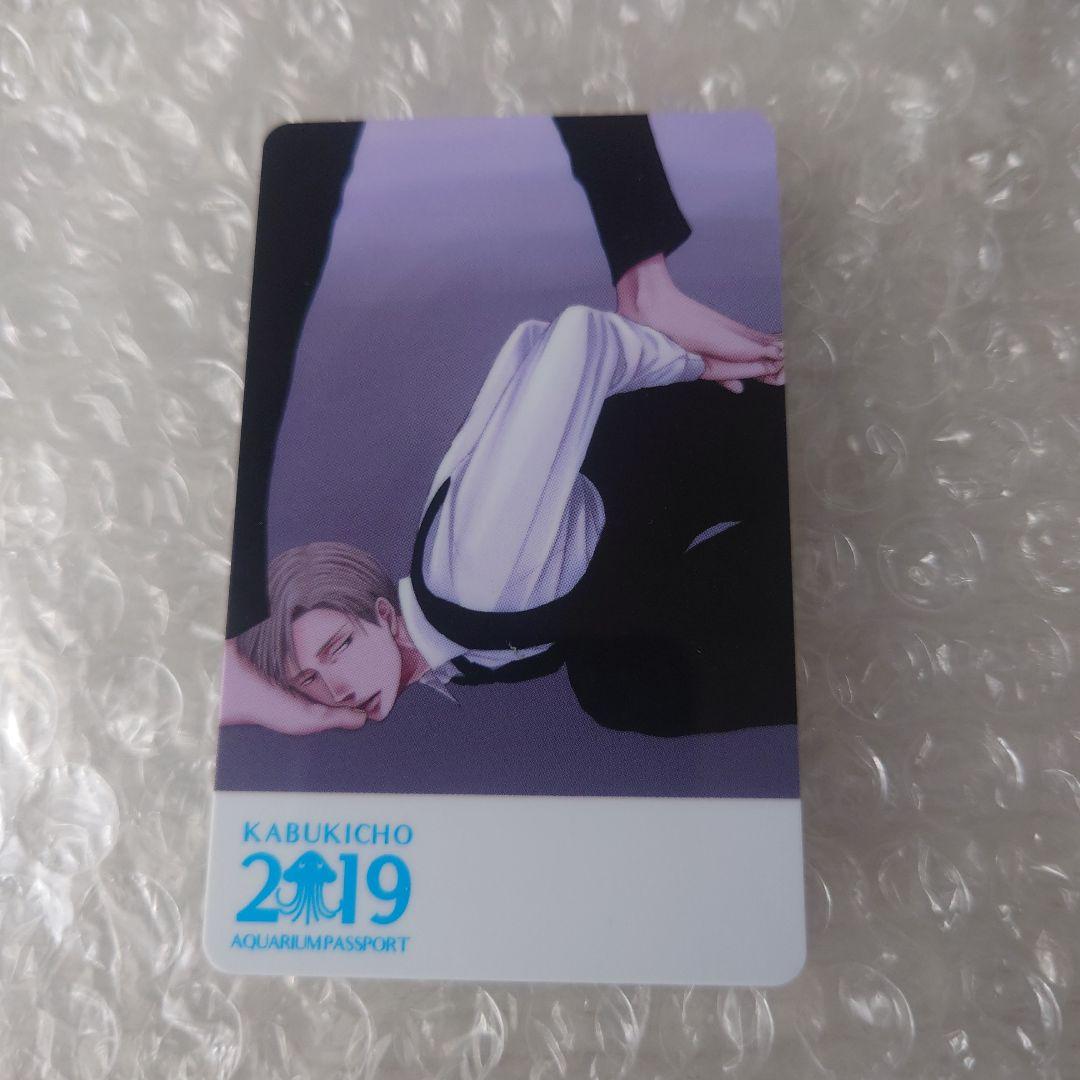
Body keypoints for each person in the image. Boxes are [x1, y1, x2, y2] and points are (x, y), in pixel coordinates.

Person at [221, 115, 794, 737]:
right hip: (693, 490)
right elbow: (525, 354)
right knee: (615, 680)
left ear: (382, 614)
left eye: (336, 648)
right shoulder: (463, 641)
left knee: (626, 686)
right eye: (308, 681)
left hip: (735, 439)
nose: (336, 688)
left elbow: (578, 339)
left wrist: (690, 361)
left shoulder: (470, 577)